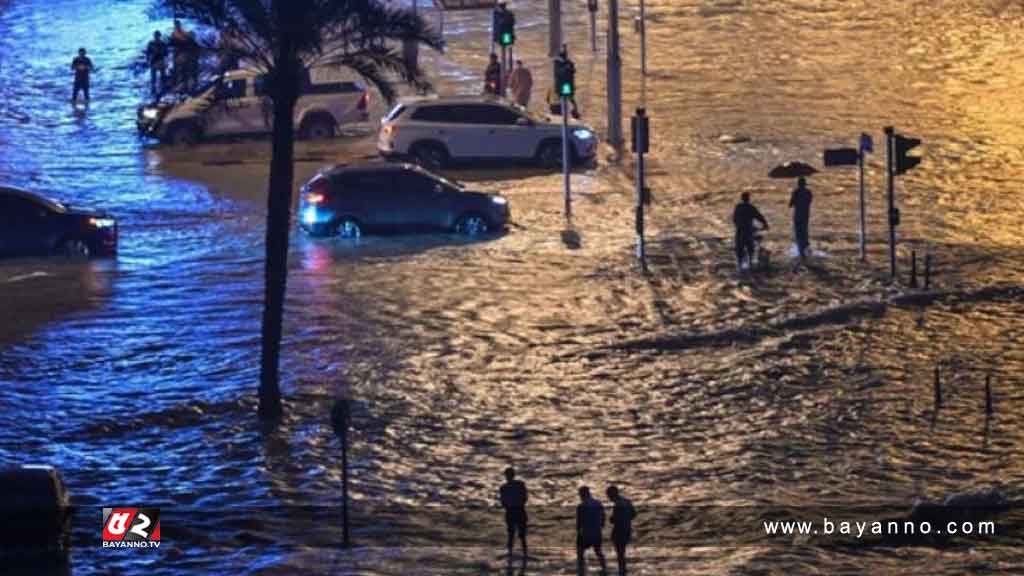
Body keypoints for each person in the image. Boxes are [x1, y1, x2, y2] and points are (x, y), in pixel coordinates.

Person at [732, 192, 768, 271]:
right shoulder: (750, 207)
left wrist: (738, 225)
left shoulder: (738, 207)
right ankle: (750, 264)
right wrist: (765, 224)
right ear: (748, 198)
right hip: (748, 230)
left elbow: (734, 219)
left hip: (740, 230)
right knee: (750, 248)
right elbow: (759, 216)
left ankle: (740, 265)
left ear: (742, 198)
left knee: (740, 248)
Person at [576, 486, 607, 575]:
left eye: (580, 494)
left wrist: (578, 532)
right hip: (596, 532)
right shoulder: (598, 504)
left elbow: (579, 522)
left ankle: (581, 571)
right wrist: (600, 526)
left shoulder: (581, 506)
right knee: (598, 551)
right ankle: (604, 567)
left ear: (582, 494)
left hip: (585, 533)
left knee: (580, 552)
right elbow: (603, 517)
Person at [606, 486, 637, 576]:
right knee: (622, 552)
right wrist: (626, 519)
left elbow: (615, 519)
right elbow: (634, 514)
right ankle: (623, 570)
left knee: (620, 553)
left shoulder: (618, 505)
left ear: (613, 494)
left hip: (619, 530)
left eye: (609, 495)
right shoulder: (627, 501)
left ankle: (622, 571)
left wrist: (612, 519)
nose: (609, 498)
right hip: (627, 529)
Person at [499, 467, 528, 558]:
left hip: (511, 511)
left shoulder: (504, 487)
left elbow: (503, 502)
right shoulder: (520, 484)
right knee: (521, 535)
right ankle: (524, 554)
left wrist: (510, 505)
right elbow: (524, 498)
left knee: (512, 534)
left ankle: (511, 554)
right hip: (519, 510)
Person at [789, 177, 813, 259]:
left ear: (798, 184)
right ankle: (806, 251)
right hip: (806, 215)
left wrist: (794, 198)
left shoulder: (796, 192)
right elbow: (809, 202)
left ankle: (801, 253)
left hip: (798, 216)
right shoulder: (809, 192)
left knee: (798, 234)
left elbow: (790, 204)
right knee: (804, 233)